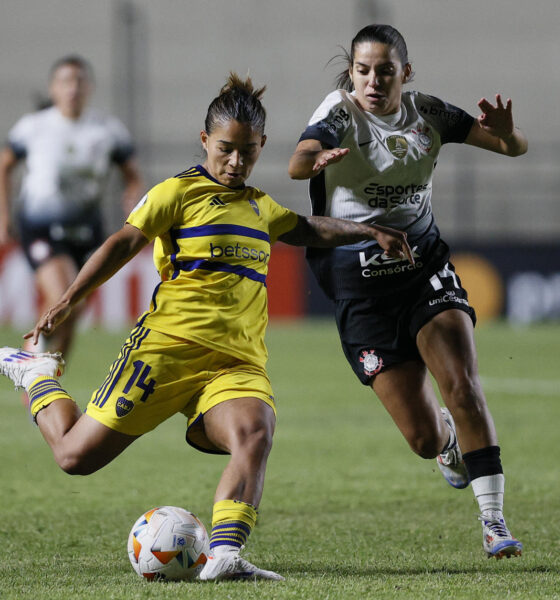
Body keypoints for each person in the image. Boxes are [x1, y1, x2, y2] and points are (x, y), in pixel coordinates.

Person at [0, 73, 413, 581]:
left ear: (261, 146)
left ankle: (224, 556)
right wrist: (68, 298)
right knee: (73, 457)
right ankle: (36, 373)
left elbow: (308, 228)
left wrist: (370, 231)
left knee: (254, 432)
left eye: (248, 151)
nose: (236, 162)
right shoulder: (176, 192)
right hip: (164, 352)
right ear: (205, 142)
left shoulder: (261, 207)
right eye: (226, 149)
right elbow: (121, 244)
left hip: (235, 363)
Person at [288, 24, 528, 559]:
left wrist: (508, 135)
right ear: (351, 73)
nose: (373, 80)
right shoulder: (339, 113)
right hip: (359, 289)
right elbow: (296, 163)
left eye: (385, 70)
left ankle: (494, 522)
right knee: (422, 438)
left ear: (405, 73)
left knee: (461, 384)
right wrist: (318, 159)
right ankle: (447, 446)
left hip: (422, 267)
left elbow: (513, 148)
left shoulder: (429, 115)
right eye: (363, 70)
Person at [0, 54, 143, 358]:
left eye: (79, 81)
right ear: (53, 88)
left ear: (89, 87)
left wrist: (132, 199)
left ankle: (46, 377)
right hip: (42, 228)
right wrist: (3, 214)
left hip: (87, 231)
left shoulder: (106, 130)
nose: (73, 88)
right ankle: (32, 374)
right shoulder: (34, 127)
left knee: (73, 309)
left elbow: (132, 175)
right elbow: (4, 166)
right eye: (65, 81)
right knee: (60, 296)